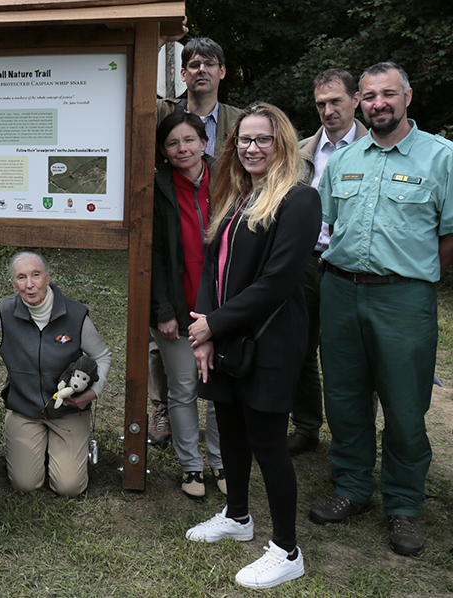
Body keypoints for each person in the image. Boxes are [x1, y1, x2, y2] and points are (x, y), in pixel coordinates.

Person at [311, 62, 453, 557]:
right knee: (345, 399)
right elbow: (326, 224)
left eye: (387, 94)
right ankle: (351, 488)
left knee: (405, 406)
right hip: (341, 292)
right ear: (360, 103)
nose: (378, 104)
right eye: (369, 96)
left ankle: (403, 505)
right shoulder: (345, 159)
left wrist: (408, 274)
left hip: (404, 298)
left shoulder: (442, 158)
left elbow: (448, 235)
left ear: (408, 96)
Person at [184, 103, 320, 589]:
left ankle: (287, 549)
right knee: (229, 430)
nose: (251, 148)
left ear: (281, 143)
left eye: (262, 139)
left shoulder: (300, 200)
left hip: (269, 341)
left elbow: (277, 283)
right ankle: (237, 516)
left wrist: (211, 326)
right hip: (224, 336)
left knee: (268, 445)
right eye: (244, 139)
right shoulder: (238, 195)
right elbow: (209, 266)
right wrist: (205, 326)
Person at [151, 36, 244, 444]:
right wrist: (159, 38)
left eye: (210, 63)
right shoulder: (164, 114)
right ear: (183, 73)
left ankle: (222, 449)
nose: (201, 70)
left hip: (222, 259)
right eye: (193, 64)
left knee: (218, 368)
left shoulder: (241, 121)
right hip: (175, 246)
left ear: (222, 71)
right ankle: (162, 410)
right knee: (169, 356)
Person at [0, 251, 110, 497]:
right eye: (21, 277)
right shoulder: (3, 311)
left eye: (36, 275)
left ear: (48, 276)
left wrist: (92, 393)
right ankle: (39, 447)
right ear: (13, 284)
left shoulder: (75, 315)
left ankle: (63, 448)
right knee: (25, 484)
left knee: (69, 487)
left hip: (67, 412)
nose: (30, 284)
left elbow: (102, 356)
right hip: (25, 410)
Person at [288, 69, 368, 456]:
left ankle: (351, 440)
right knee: (299, 348)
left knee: (346, 357)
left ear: (356, 100)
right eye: (321, 103)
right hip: (305, 263)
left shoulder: (375, 149)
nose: (328, 110)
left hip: (350, 268)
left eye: (336, 101)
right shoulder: (301, 152)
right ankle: (306, 426)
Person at [149, 109, 223, 498]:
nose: (182, 148)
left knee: (219, 386)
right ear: (163, 150)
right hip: (177, 305)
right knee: (182, 388)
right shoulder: (158, 187)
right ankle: (191, 466)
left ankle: (221, 460)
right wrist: (163, 311)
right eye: (173, 142)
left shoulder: (230, 179)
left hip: (222, 304)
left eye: (189, 140)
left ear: (204, 142)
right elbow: (155, 254)